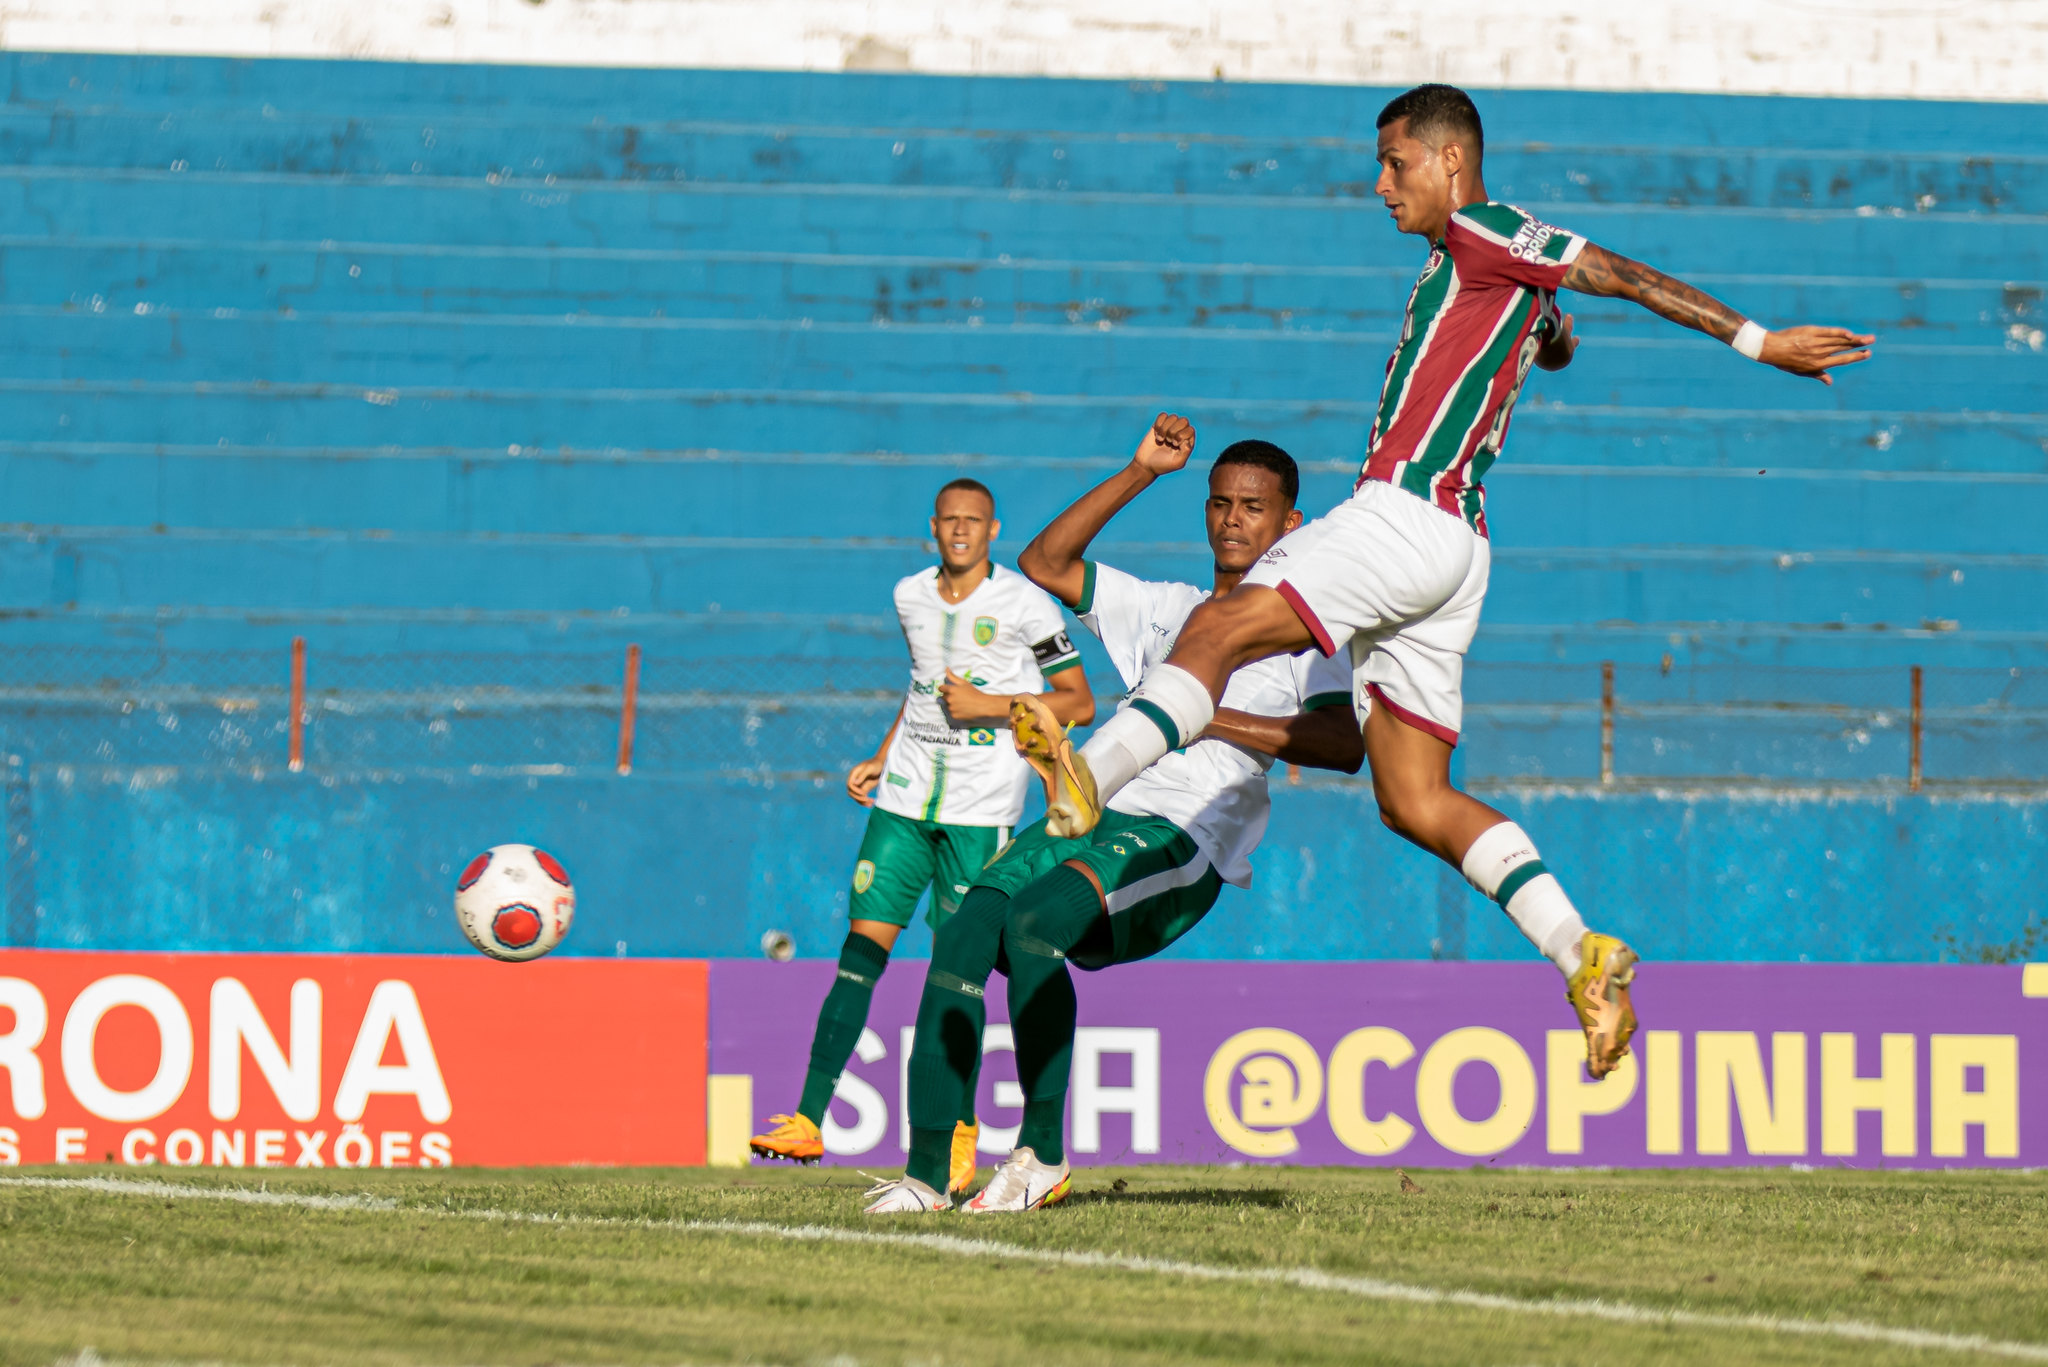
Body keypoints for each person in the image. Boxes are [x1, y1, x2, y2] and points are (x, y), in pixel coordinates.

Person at [1018, 84, 1875, 1080]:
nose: (1378, 183)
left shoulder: (1483, 226)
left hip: (1404, 511)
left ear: (1447, 163)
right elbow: (1553, 330)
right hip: (1455, 550)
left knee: (1216, 630)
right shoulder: (1480, 267)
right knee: (1413, 798)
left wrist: (1756, 341)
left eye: (1393, 162)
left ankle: (1094, 772)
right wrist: (1549, 334)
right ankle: (1579, 951)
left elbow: (1617, 272)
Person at [863, 416, 1363, 1213]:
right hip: (1092, 808)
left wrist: (1201, 713)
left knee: (1031, 923)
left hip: (1182, 839)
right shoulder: (1168, 608)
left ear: (1289, 523)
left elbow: (1343, 742)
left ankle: (1042, 1158)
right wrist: (1141, 470)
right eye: (1220, 502)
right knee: (962, 925)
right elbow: (1043, 562)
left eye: (1254, 507)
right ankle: (930, 1174)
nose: (1234, 519)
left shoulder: (1311, 640)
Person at [749, 477, 1095, 1194]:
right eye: (949, 521)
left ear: (993, 529)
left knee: (958, 968)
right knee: (860, 947)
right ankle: (808, 1117)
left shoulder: (1026, 603)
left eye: (974, 521)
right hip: (905, 798)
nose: (961, 531)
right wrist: (883, 752)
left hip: (982, 807)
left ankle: (962, 1130)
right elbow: (920, 688)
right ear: (932, 528)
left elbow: (1078, 702)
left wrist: (991, 706)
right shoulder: (910, 595)